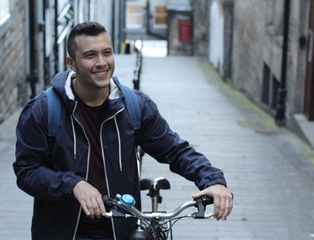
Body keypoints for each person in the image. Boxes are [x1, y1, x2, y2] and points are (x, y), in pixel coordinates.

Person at [13, 21, 233, 240]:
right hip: (62, 234)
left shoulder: (135, 106)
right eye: (90, 55)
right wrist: (72, 185)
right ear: (71, 63)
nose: (101, 62)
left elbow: (176, 150)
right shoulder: (43, 110)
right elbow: (27, 171)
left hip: (122, 232)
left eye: (106, 53)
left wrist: (212, 180)